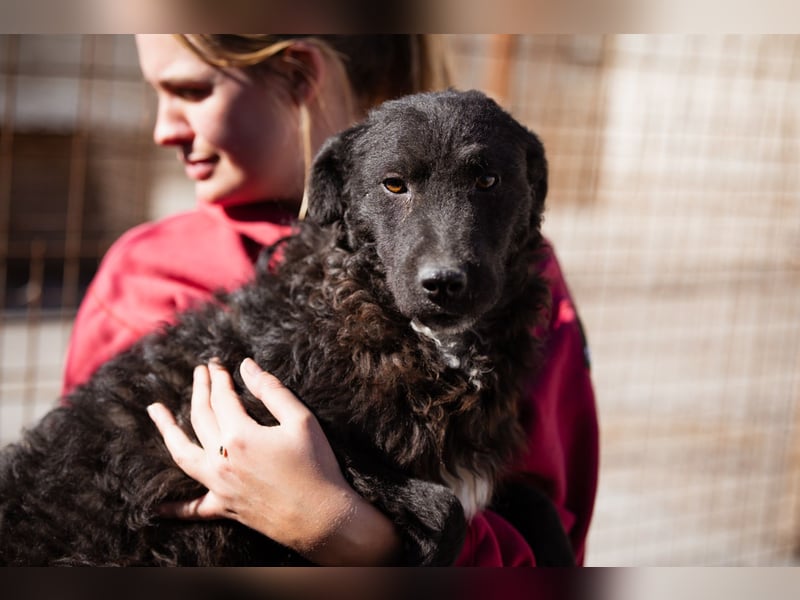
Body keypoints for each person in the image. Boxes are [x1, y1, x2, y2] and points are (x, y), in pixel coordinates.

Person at [61, 34, 598, 566]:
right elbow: (93, 498)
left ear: (299, 74)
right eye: (394, 186)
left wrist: (348, 533)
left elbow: (553, 523)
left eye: (194, 90)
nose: (162, 129)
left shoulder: (520, 287)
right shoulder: (149, 273)